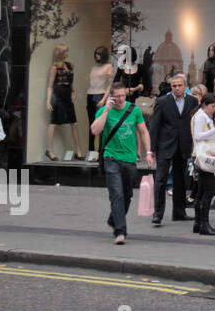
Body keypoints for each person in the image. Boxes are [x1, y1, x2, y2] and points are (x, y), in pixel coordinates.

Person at [91, 83, 152, 244]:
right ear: (111, 96)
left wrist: (148, 152)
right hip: (111, 158)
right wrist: (106, 110)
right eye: (116, 96)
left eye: (123, 95)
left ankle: (114, 219)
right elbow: (95, 130)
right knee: (116, 194)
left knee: (127, 195)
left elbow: (144, 131)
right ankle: (120, 231)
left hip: (130, 159)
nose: (120, 99)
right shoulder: (105, 111)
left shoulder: (134, 110)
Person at [148, 74, 198, 225]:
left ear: (185, 87)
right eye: (174, 86)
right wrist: (152, 148)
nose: (176, 88)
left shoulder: (192, 101)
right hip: (165, 145)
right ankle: (158, 214)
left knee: (180, 180)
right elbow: (155, 126)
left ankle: (179, 212)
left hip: (183, 145)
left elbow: (195, 123)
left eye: (179, 86)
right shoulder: (162, 101)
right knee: (161, 179)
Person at [190, 93, 215, 236]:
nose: (214, 109)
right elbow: (198, 136)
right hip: (203, 157)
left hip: (200, 156)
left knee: (201, 191)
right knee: (208, 191)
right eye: (213, 106)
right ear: (204, 105)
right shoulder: (200, 116)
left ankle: (198, 223)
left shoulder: (201, 115)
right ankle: (204, 224)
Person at [45, 43, 83, 160]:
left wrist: (73, 91)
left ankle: (79, 150)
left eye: (67, 51)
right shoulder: (54, 68)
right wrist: (48, 101)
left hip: (67, 96)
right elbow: (50, 86)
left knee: (74, 123)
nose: (67, 53)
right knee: (54, 123)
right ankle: (50, 150)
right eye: (65, 51)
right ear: (60, 53)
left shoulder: (70, 65)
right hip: (58, 96)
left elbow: (70, 82)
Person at [85, 46, 114, 150]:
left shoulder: (109, 67)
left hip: (101, 95)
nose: (97, 56)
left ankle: (100, 150)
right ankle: (91, 150)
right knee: (91, 123)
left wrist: (103, 99)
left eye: (99, 54)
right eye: (96, 53)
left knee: (101, 124)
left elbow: (109, 85)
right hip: (90, 95)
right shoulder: (94, 67)